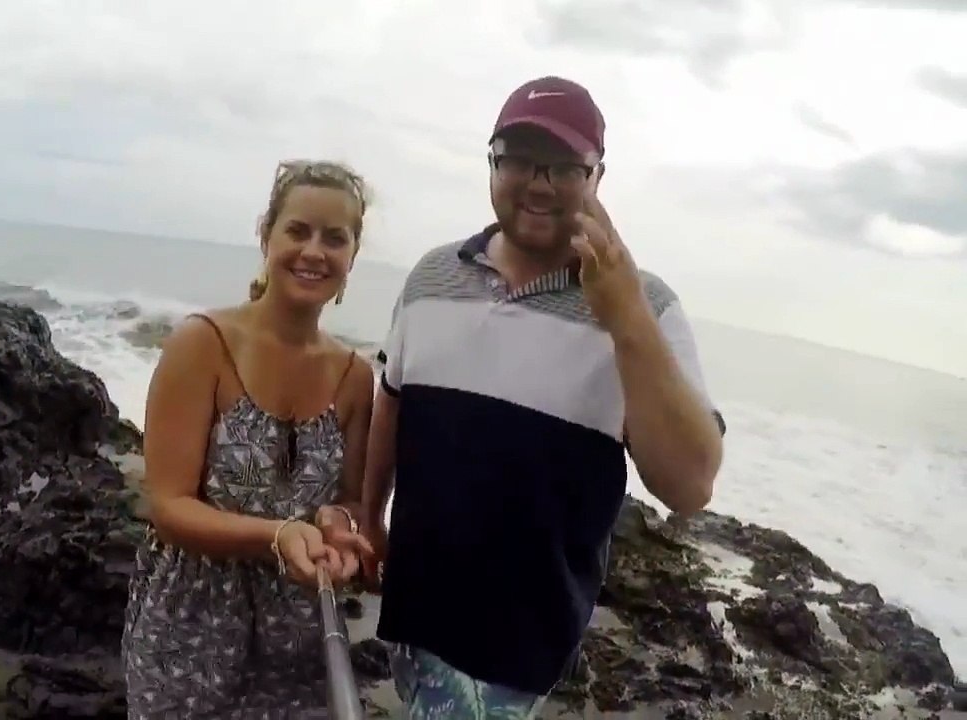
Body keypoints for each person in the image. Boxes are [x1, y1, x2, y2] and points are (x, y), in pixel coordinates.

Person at [360, 76, 727, 718]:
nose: (538, 183)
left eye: (563, 166)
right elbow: (392, 401)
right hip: (412, 612)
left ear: (597, 177)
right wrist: (369, 516)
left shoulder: (648, 305)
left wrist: (625, 316)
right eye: (520, 159)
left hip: (515, 648)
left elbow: (690, 486)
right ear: (492, 162)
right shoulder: (431, 278)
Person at [121, 159, 377, 718]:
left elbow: (352, 502)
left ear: (353, 255)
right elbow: (169, 506)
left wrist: (341, 530)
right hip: (188, 631)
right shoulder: (201, 345)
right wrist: (277, 536)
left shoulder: (355, 378)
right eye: (298, 230)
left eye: (335, 238)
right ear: (267, 236)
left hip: (299, 639)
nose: (314, 251)